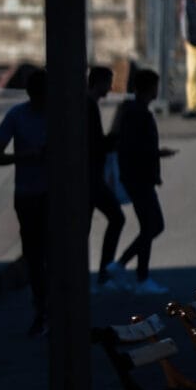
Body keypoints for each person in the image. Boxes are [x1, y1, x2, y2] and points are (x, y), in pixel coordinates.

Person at [107, 69, 176, 295]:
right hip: (139, 178)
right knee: (154, 225)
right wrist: (157, 157)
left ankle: (136, 275)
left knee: (149, 226)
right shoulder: (139, 114)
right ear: (150, 88)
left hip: (136, 176)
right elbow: (138, 149)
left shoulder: (131, 110)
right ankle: (126, 268)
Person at [0, 70, 48, 337]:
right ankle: (42, 308)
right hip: (28, 194)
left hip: (50, 194)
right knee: (35, 256)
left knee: (47, 255)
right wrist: (27, 155)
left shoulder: (59, 115)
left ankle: (50, 307)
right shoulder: (17, 115)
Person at [87, 66, 125, 292]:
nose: (110, 89)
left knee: (85, 225)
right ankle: (103, 272)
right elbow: (95, 144)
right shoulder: (89, 107)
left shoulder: (89, 105)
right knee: (116, 218)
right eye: (108, 83)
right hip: (90, 176)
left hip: (91, 175)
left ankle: (100, 273)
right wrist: (116, 134)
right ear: (98, 82)